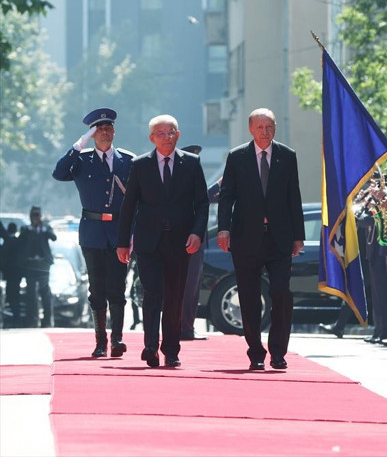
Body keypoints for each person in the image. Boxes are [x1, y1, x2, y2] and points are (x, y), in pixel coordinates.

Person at [116, 115, 209, 368]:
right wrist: (123, 242)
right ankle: (150, 347)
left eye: (171, 133)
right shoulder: (140, 165)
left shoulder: (191, 163)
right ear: (152, 138)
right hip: (149, 243)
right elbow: (129, 206)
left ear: (178, 135)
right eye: (161, 134)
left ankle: (171, 349)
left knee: (174, 297)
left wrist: (197, 233)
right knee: (151, 294)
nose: (166, 138)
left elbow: (202, 204)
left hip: (180, 242)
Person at [217, 108, 305, 371]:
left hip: (279, 238)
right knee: (249, 297)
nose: (265, 132)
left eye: (269, 127)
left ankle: (278, 352)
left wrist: (298, 236)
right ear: (250, 129)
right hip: (246, 238)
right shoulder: (237, 157)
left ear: (275, 128)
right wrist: (223, 229)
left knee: (281, 293)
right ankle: (255, 352)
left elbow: (294, 196)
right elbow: (227, 196)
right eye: (260, 127)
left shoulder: (287, 156)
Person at [52, 108, 134, 357]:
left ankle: (117, 340)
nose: (105, 133)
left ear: (114, 132)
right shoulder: (81, 160)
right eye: (99, 130)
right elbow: (59, 173)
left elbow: (137, 201)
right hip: (92, 233)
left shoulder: (128, 160)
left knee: (117, 287)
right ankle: (100, 342)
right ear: (92, 134)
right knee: (97, 289)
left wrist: (131, 234)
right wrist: (79, 145)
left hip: (119, 231)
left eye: (109, 128)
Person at [178, 144, 211, 341]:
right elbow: (200, 201)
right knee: (187, 286)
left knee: (193, 286)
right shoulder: (181, 180)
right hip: (187, 239)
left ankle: (187, 326)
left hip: (196, 241)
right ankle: (184, 327)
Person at [18, 207, 57, 327]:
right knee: (30, 292)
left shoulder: (45, 228)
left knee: (45, 292)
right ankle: (32, 320)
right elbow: (20, 240)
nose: (35, 218)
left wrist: (43, 228)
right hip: (30, 264)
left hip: (43, 264)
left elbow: (53, 237)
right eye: (33, 215)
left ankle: (47, 321)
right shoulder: (26, 229)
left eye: (37, 215)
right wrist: (30, 230)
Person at [1, 222, 23, 326]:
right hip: (17, 274)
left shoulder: (7, 242)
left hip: (10, 274)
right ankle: (16, 317)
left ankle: (15, 317)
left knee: (11, 295)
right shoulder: (18, 242)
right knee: (15, 295)